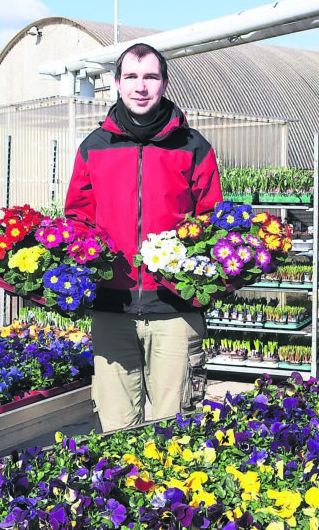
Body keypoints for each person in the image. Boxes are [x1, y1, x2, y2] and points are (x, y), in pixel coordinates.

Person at [64, 43, 222, 432]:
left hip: (175, 309)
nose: (140, 87)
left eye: (150, 77)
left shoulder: (192, 147)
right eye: (131, 77)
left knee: (175, 428)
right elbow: (76, 219)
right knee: (117, 429)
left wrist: (205, 281)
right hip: (112, 309)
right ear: (116, 84)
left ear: (164, 83)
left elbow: (213, 224)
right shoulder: (94, 147)